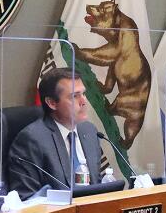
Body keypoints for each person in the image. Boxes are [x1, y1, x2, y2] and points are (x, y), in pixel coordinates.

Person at [8, 67, 102, 199]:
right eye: (75, 96)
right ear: (52, 103)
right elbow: (27, 198)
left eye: (83, 94)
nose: (83, 101)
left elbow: (99, 185)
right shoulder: (31, 140)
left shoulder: (89, 131)